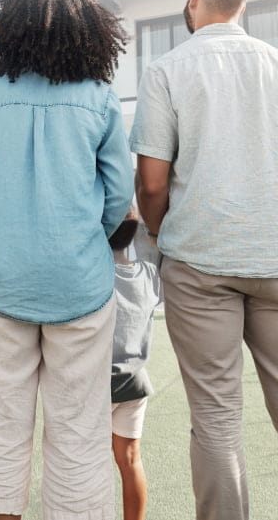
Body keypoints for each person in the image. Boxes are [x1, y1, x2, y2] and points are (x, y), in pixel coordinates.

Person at [131, 0, 278, 520]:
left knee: (217, 420)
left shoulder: (167, 71)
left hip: (198, 264)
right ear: (243, 4)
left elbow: (151, 184)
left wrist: (160, 233)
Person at [0, 0, 133, 520]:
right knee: (79, 428)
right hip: (82, 287)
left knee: (0, 424)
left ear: (9, 30)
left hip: (3, 284)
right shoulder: (100, 98)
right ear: (89, 34)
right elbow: (119, 193)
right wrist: (87, 236)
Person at [107, 207, 162, 520]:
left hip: (100, 383)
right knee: (130, 460)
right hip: (136, 382)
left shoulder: (96, 275)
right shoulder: (149, 275)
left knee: (89, 463)